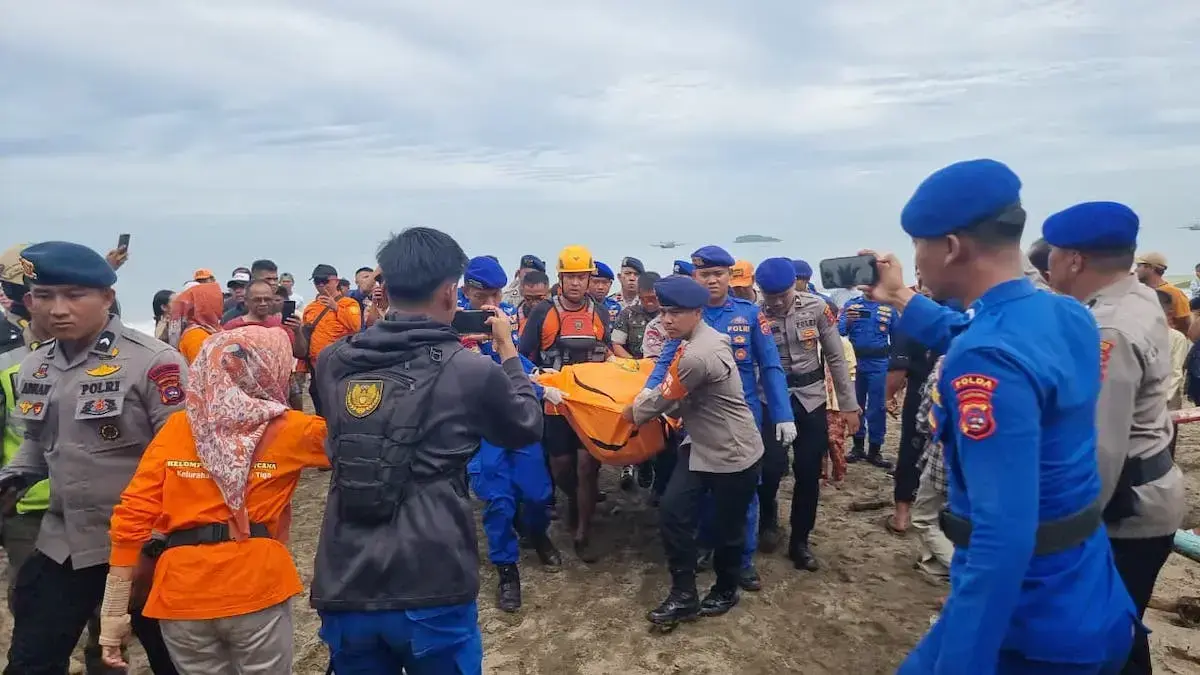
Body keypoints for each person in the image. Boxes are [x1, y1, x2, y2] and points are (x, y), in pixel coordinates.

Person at [871, 159, 1135, 674]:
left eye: (919, 246)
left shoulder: (986, 358)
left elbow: (1002, 535)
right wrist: (902, 297)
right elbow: (982, 334)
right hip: (1083, 584)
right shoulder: (1064, 312)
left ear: (950, 247)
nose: (916, 262)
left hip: (1031, 618)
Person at [310, 227, 543, 673]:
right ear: (449, 292)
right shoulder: (471, 370)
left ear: (386, 288)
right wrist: (509, 352)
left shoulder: (333, 361)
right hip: (431, 572)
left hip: (345, 573)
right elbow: (525, 427)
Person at [0, 241, 186, 675]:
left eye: (74, 295)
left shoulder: (154, 363)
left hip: (143, 552)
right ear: (29, 302)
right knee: (30, 661)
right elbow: (37, 442)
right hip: (63, 543)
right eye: (45, 297)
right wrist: (12, 480)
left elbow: (183, 462)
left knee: (175, 663)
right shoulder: (35, 367)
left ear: (107, 297)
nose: (58, 309)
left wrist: (155, 545)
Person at [99, 327, 329, 673]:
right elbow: (364, 446)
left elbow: (132, 515)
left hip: (181, 593)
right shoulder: (293, 429)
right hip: (255, 585)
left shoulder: (179, 427)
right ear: (270, 368)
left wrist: (114, 611)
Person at [1042, 201, 1186, 675]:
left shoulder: (1108, 329)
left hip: (1123, 511)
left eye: (1054, 255)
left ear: (1075, 260)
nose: (1048, 264)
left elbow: (1100, 446)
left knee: (1099, 639)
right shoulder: (1136, 294)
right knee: (1119, 630)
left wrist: (1066, 535)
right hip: (1143, 493)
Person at [645, 245, 795, 590]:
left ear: (730, 276)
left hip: (742, 419)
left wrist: (783, 414)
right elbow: (666, 360)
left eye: (719, 274)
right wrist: (647, 392)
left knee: (745, 493)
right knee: (701, 490)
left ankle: (743, 561)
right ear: (694, 278)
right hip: (695, 419)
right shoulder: (687, 316)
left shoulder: (748, 314)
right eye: (704, 275)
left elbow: (770, 364)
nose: (712, 281)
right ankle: (706, 546)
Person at [623, 275, 763, 625]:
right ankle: (684, 594)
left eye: (677, 313)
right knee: (673, 512)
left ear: (698, 312)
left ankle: (726, 589)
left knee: (728, 529)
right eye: (665, 311)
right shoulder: (696, 339)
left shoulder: (699, 354)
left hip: (733, 453)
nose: (667, 320)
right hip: (699, 444)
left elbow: (660, 401)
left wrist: (626, 411)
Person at [457, 256, 562, 612]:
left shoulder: (505, 316)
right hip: (480, 424)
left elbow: (512, 355)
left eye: (497, 293)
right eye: (483, 294)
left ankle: (537, 532)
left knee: (537, 493)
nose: (490, 301)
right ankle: (506, 568)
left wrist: (538, 376)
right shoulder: (451, 321)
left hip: (515, 416)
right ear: (467, 289)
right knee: (497, 500)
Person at [755, 258, 859, 570]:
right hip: (771, 400)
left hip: (811, 399)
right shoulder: (755, 311)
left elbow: (836, 358)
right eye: (769, 295)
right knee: (770, 467)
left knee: (808, 472)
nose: (776, 302)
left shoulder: (816, 308)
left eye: (782, 295)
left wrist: (848, 405)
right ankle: (768, 518)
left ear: (794, 286)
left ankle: (800, 540)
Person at [518, 245, 612, 561]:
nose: (575, 283)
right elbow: (522, 356)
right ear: (561, 278)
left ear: (589, 279)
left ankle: (583, 530)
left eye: (581, 277)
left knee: (588, 466)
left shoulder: (600, 312)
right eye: (570, 277)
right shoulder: (543, 312)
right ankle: (573, 499)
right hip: (555, 403)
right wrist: (538, 377)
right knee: (561, 467)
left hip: (590, 402)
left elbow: (608, 350)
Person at [838, 294, 894, 469]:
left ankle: (875, 450)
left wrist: (898, 367)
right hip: (856, 363)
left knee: (878, 407)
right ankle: (858, 447)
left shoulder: (889, 306)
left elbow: (898, 337)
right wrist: (847, 321)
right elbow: (839, 331)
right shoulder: (852, 305)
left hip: (879, 363)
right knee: (856, 405)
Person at [301, 264, 362, 415]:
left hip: (340, 363)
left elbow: (356, 327)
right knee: (319, 404)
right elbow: (306, 337)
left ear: (336, 281)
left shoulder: (349, 304)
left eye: (324, 281)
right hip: (316, 365)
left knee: (339, 404)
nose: (320, 285)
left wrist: (336, 308)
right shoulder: (311, 308)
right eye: (317, 281)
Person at [1134, 252, 1190, 333]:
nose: (1135, 270)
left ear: (1151, 268)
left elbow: (1185, 323)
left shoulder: (1174, 292)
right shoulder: (1139, 290)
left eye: (1139, 266)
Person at [171, 282, 224, 364]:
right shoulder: (195, 335)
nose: (220, 303)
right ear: (204, 305)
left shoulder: (208, 328)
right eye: (214, 300)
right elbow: (205, 371)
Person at [1155, 289, 1191, 411]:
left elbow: (1176, 373)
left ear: (1168, 313)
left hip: (1167, 400)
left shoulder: (1177, 338)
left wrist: (1163, 399)